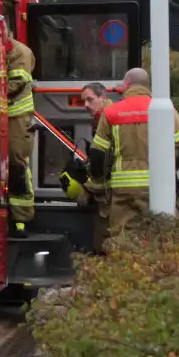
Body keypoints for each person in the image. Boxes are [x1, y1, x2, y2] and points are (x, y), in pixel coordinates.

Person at [89, 68, 179, 237]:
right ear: (147, 86)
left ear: (126, 85)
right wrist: (170, 168)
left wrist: (98, 181)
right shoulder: (165, 110)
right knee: (157, 235)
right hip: (156, 186)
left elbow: (97, 154)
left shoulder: (111, 113)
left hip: (123, 189)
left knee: (121, 237)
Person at [59, 82, 113, 252]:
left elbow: (106, 162)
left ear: (103, 98)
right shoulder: (101, 120)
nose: (86, 106)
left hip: (111, 195)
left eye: (90, 100)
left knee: (104, 244)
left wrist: (89, 189)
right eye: (84, 102)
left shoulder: (110, 119)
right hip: (107, 193)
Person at [5, 23, 36, 237]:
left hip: (16, 118)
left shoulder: (19, 52)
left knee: (17, 165)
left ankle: (21, 220)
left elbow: (16, 84)